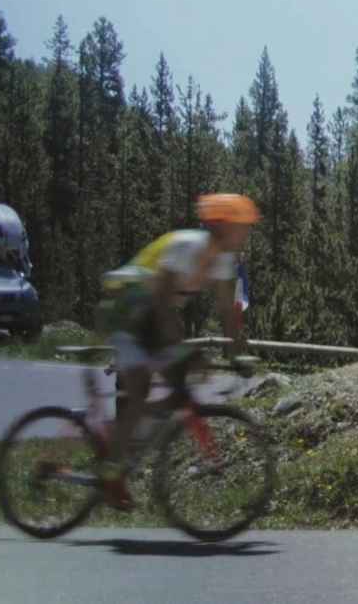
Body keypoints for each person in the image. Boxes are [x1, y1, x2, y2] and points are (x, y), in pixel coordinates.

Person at [95, 193, 259, 510]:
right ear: (223, 227)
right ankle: (112, 473)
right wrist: (186, 351)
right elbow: (160, 305)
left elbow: (228, 312)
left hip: (151, 315)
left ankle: (128, 442)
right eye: (243, 227)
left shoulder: (224, 258)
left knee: (178, 388)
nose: (247, 234)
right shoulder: (187, 247)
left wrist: (237, 353)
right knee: (141, 388)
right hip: (127, 308)